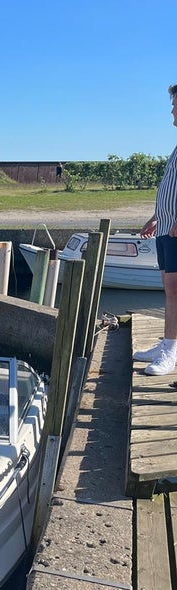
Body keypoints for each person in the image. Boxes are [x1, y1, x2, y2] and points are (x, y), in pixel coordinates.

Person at [133, 83, 177, 374]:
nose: (172, 110)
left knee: (175, 289)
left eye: (175, 104)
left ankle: (171, 352)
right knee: (169, 288)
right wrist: (157, 217)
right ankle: (167, 343)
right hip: (166, 227)